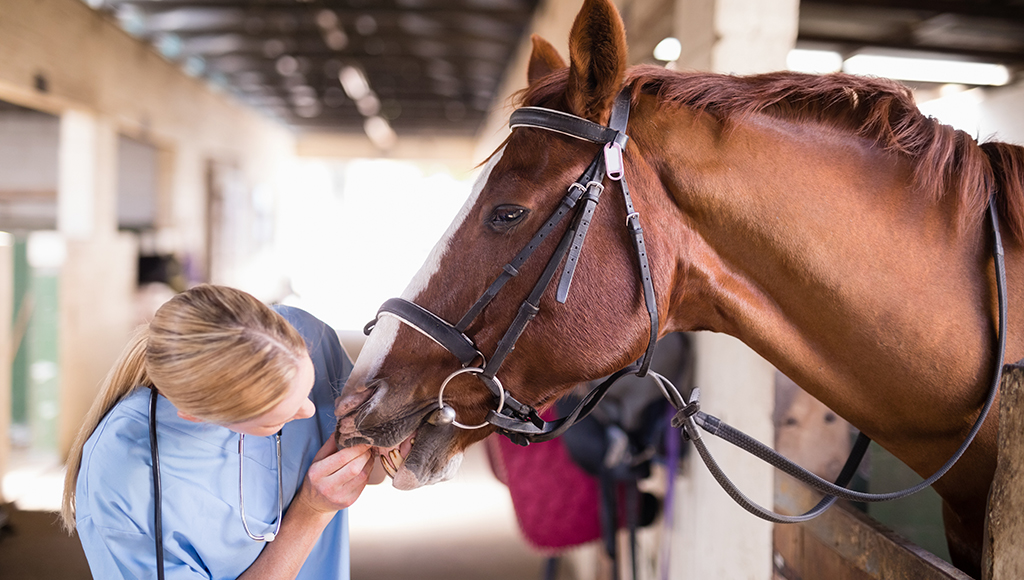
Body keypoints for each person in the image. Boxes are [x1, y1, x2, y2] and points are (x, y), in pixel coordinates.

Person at [60, 284, 373, 579]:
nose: (310, 412)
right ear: (196, 416)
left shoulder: (307, 334)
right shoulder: (122, 478)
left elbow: (374, 471)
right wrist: (311, 512)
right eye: (274, 418)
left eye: (308, 385)